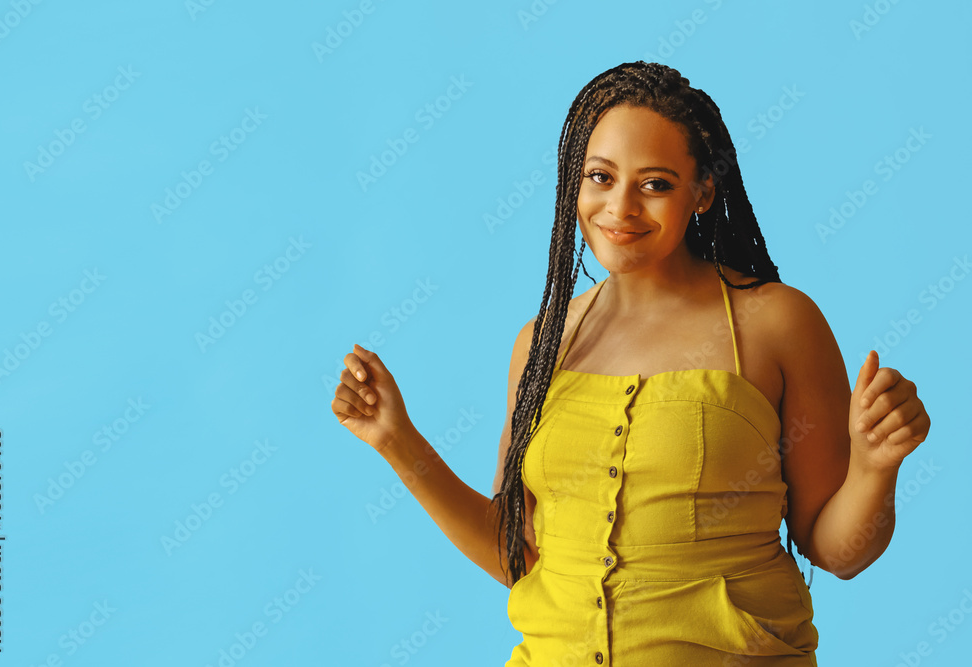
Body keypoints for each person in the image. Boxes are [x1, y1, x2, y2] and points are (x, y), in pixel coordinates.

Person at [331, 61, 931, 665]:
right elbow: (520, 557)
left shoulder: (777, 323)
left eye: (656, 184)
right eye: (600, 176)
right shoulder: (542, 342)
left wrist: (877, 467)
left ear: (702, 192)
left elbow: (836, 551)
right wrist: (397, 441)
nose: (620, 208)